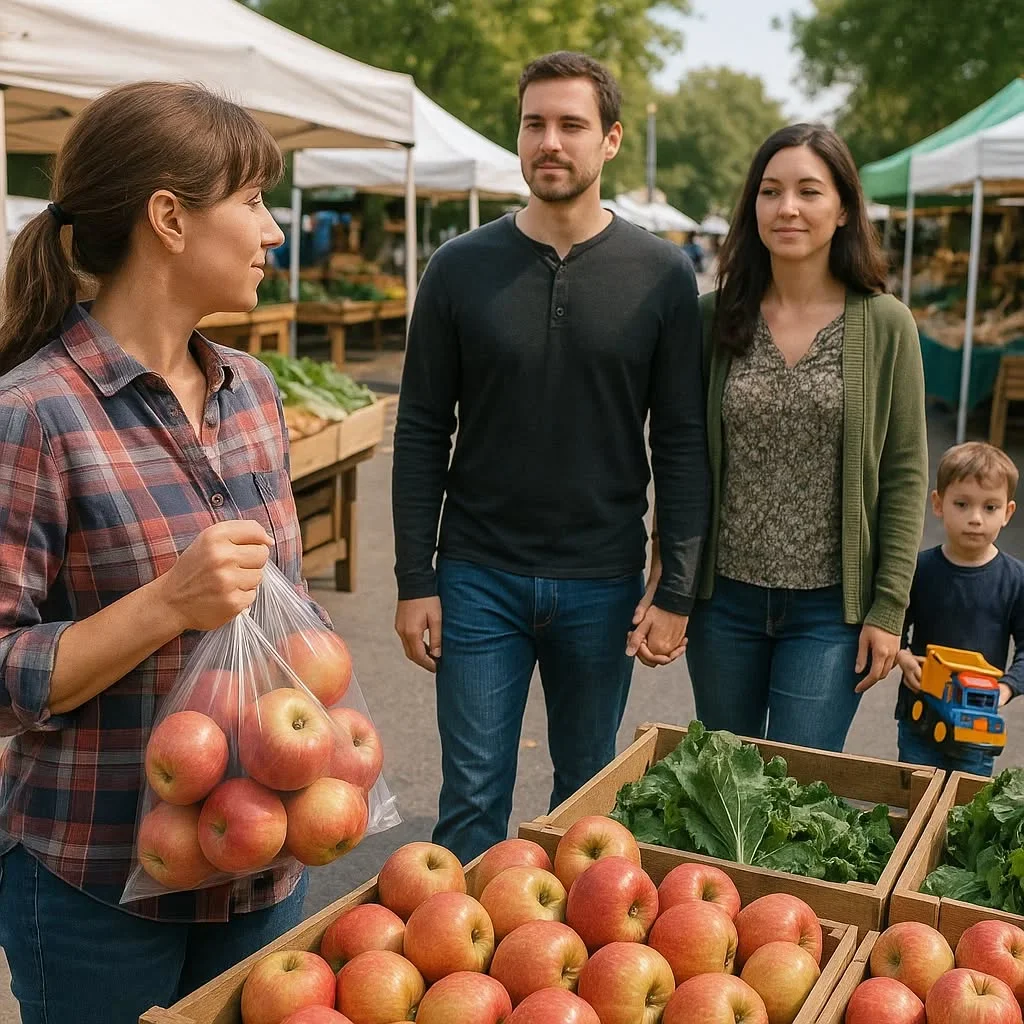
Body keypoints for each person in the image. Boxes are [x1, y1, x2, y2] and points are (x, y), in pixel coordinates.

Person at [0, 82, 323, 1024]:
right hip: (96, 879)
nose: (273, 232)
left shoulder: (252, 391)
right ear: (170, 219)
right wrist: (168, 605)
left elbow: (285, 620)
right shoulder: (33, 415)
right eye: (256, 200)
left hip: (263, 860)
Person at [392, 51, 708, 864]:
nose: (551, 141)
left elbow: (679, 437)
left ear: (609, 141)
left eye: (572, 125)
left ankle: (569, 985)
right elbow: (423, 426)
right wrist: (414, 578)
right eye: (535, 123)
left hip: (601, 580)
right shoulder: (459, 268)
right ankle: (458, 982)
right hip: (477, 575)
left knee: (588, 804)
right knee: (469, 803)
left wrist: (675, 584)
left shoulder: (663, 276)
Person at [646, 122, 928, 751]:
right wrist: (668, 574)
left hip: (829, 613)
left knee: (800, 790)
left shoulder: (885, 325)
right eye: (771, 192)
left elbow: (907, 473)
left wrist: (889, 609)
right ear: (753, 206)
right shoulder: (713, 319)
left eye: (809, 191)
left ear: (845, 209)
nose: (788, 207)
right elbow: (681, 456)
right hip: (725, 606)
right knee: (725, 788)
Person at [896, 442, 1024, 776]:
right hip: (920, 713)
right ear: (938, 504)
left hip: (977, 729)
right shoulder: (919, 569)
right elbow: (894, 624)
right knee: (916, 799)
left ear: (1008, 512)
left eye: (990, 507)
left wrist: (1006, 688)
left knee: (964, 808)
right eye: (962, 504)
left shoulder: (1015, 579)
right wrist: (903, 656)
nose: (976, 519)